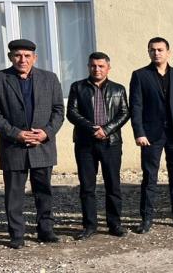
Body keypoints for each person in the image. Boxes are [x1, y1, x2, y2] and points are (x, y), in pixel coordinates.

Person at [0, 39, 64, 249]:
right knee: (14, 193)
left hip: (42, 145)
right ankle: (17, 234)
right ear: (10, 57)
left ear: (34, 58)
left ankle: (46, 230)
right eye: (18, 55)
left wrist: (46, 133)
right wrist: (16, 133)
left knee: (44, 191)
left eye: (27, 56)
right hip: (13, 146)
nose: (23, 59)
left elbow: (58, 110)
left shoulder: (49, 78)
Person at [130, 37, 173, 233]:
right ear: (148, 52)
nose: (156, 53)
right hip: (151, 135)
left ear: (168, 52)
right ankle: (146, 219)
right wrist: (139, 132)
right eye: (152, 50)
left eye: (160, 49)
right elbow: (136, 106)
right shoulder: (140, 75)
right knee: (150, 177)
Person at [66, 51, 130, 240]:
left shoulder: (118, 89)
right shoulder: (77, 87)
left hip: (111, 143)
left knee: (113, 185)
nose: (97, 69)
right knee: (87, 187)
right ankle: (89, 225)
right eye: (93, 66)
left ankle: (114, 224)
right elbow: (72, 112)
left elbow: (124, 112)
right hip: (85, 143)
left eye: (101, 66)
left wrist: (106, 130)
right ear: (88, 67)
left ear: (108, 68)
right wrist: (92, 128)